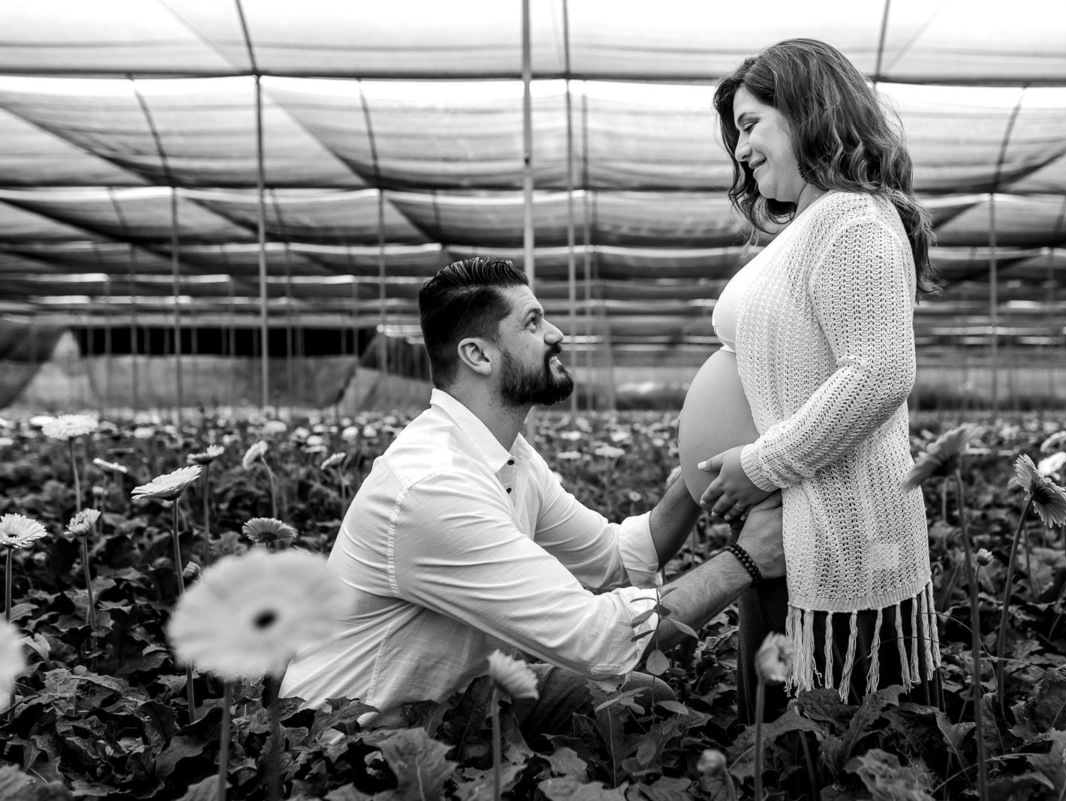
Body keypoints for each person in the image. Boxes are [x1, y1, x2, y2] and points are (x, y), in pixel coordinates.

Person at [281, 256, 785, 737]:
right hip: (357, 736)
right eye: (532, 323)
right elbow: (597, 639)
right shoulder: (432, 486)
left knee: (643, 696)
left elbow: (614, 558)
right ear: (477, 355)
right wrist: (748, 558)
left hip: (461, 699)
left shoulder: (509, 454)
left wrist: (701, 471)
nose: (556, 335)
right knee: (618, 684)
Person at [696, 38, 943, 717]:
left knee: (832, 750)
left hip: (841, 539)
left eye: (751, 125)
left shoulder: (853, 216)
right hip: (784, 526)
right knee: (783, 751)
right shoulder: (810, 227)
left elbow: (879, 370)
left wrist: (761, 463)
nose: (740, 150)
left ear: (806, 110)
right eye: (736, 135)